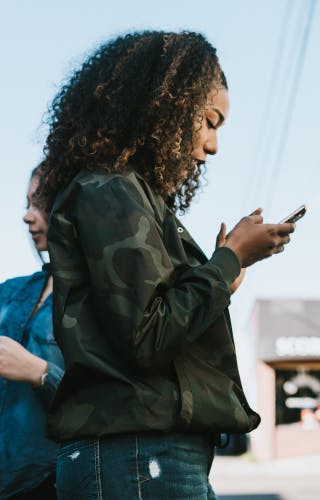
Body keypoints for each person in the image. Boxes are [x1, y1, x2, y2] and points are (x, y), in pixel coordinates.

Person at [37, 31, 295, 499]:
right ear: (164, 106)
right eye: (208, 121)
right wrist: (228, 259)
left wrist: (222, 278)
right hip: (137, 452)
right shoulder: (110, 189)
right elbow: (148, 337)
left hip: (144, 452)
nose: (213, 145)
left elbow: (148, 322)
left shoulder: (126, 193)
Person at [0, 166, 64, 499]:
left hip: (49, 484)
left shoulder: (97, 299)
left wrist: (39, 372)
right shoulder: (11, 291)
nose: (27, 216)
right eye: (26, 203)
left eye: (40, 203)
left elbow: (110, 402)